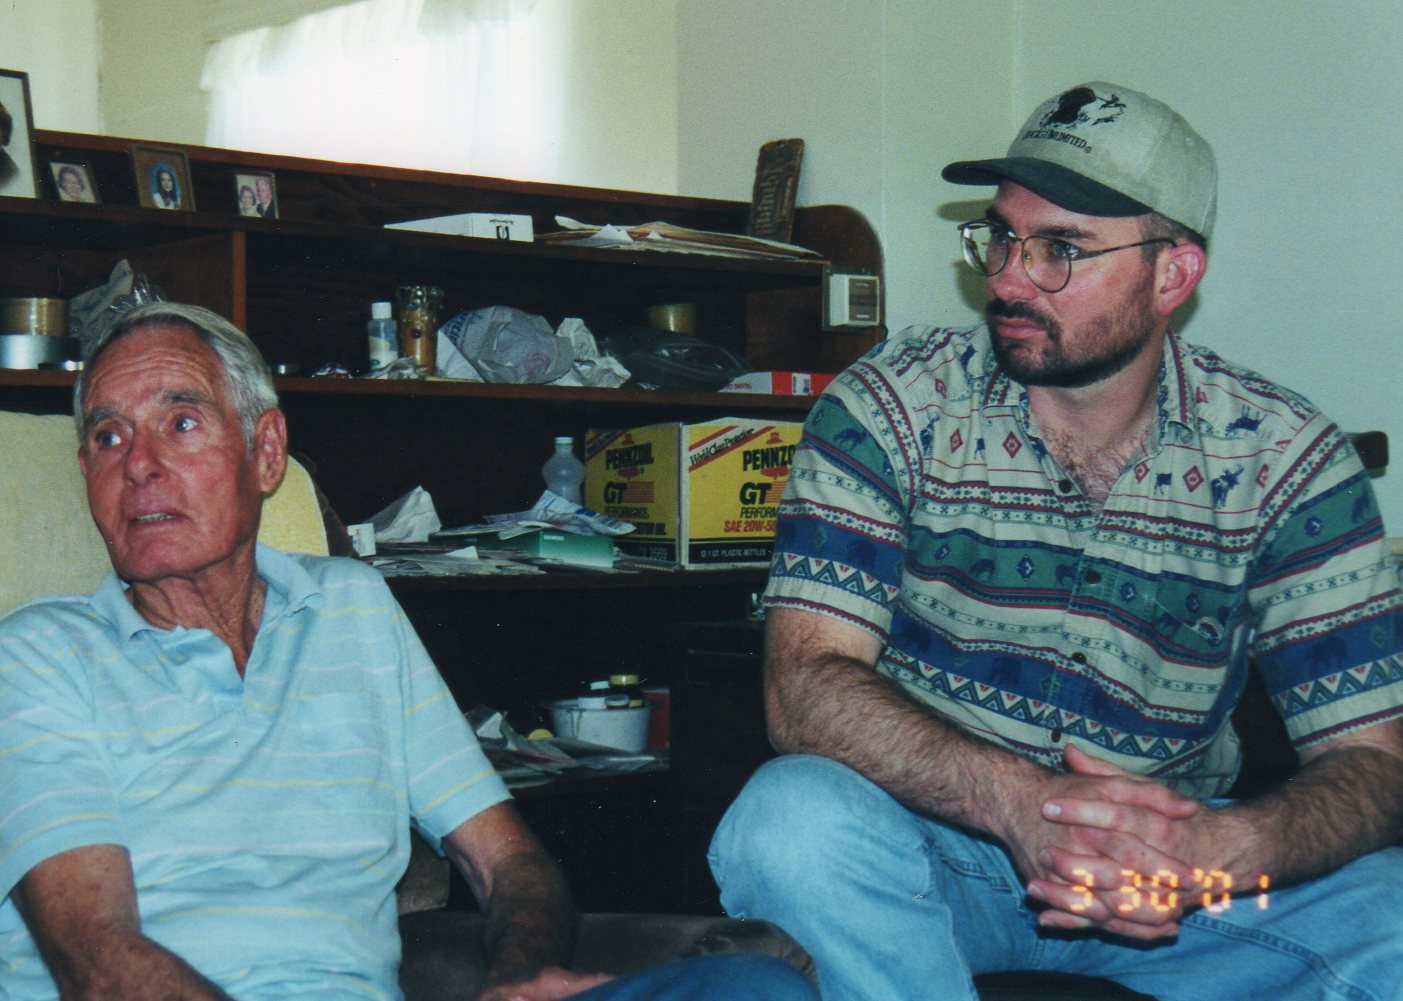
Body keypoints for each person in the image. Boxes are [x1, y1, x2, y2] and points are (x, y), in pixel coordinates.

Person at [709, 81, 1403, 1000]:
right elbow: (803, 686)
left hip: (1168, 873)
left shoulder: (1283, 457)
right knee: (788, 822)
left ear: (1172, 276)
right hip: (938, 849)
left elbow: (1373, 762)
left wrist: (1218, 850)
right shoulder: (893, 405)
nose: (1006, 278)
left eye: (1059, 250)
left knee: (1389, 910)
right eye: (1001, 237)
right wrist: (1019, 803)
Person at [0, 302, 817, 1001]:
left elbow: (508, 860)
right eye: (108, 436)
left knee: (755, 987)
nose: (139, 465)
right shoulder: (36, 657)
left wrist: (520, 972)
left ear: (266, 450)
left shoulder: (351, 609)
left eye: (180, 423)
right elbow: (97, 963)